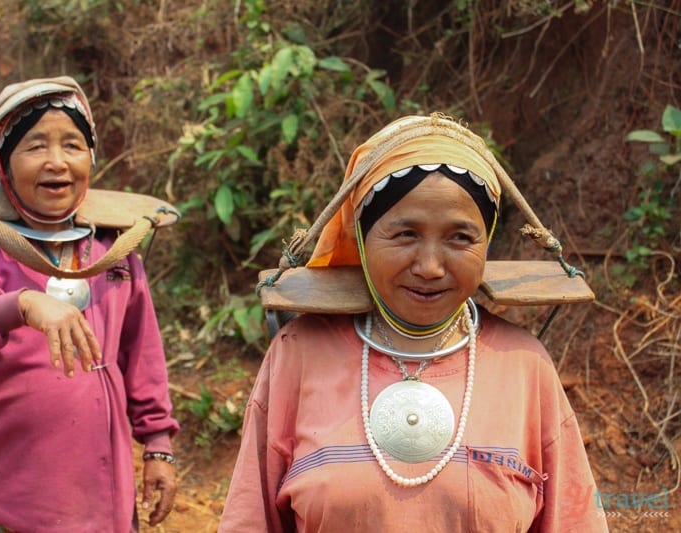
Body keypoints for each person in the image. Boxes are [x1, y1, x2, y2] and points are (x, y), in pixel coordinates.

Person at [219, 114, 609, 531]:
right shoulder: (298, 355)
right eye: (405, 234)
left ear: (488, 241)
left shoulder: (524, 366)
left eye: (460, 237)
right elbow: (251, 519)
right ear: (362, 239)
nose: (430, 266)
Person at [0, 76, 179, 533]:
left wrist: (158, 445)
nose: (57, 162)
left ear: (91, 158)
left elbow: (141, 358)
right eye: (36, 146)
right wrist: (18, 305)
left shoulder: (114, 254)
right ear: (5, 164)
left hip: (97, 505)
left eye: (73, 145)